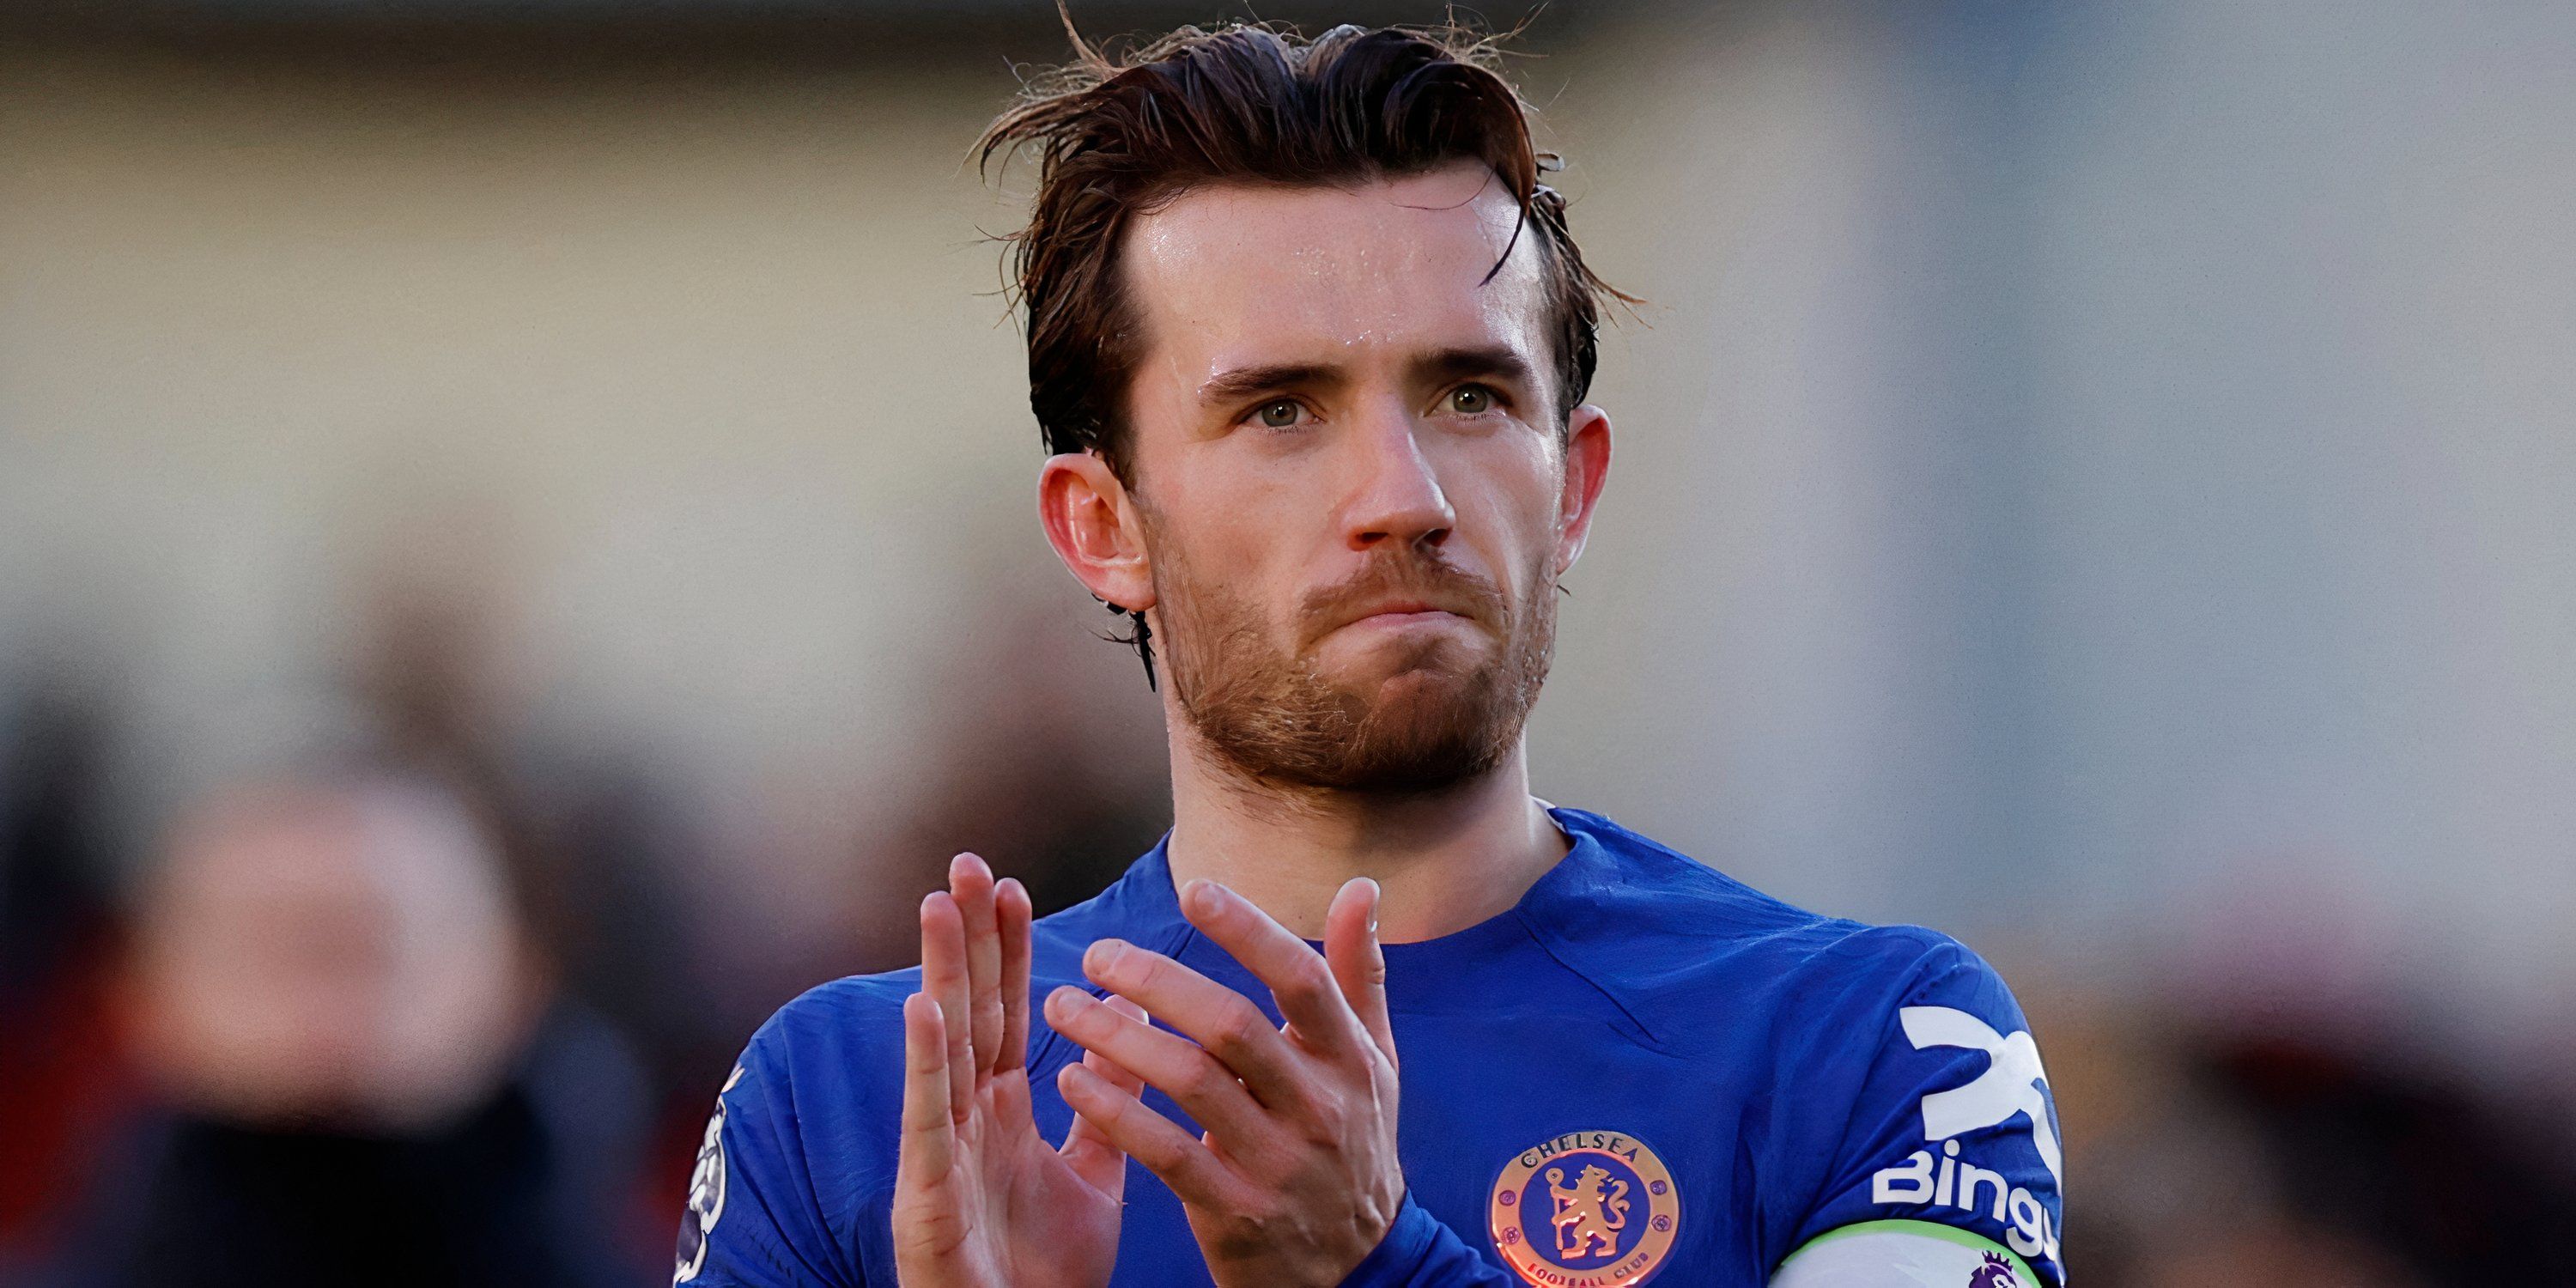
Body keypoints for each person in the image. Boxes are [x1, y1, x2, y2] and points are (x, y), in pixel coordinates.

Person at [675, 21, 2064, 1288]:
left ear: (1571, 489)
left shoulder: (1884, 1050)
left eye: (1470, 394)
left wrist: (1375, 1270)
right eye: (1282, 412)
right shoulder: (853, 1105)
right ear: (1103, 525)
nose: (1404, 495)